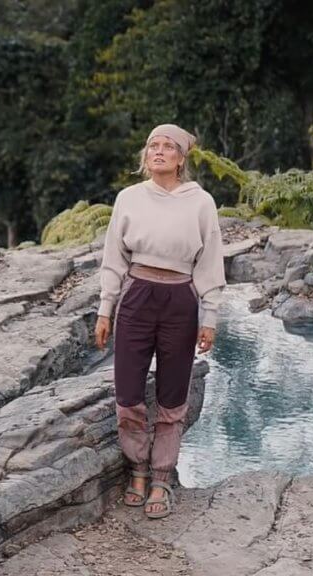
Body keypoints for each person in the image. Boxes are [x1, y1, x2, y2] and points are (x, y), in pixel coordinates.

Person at [95, 124, 226, 520]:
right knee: (128, 392)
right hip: (136, 295)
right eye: (153, 145)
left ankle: (162, 476)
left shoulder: (201, 202)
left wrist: (211, 317)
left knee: (172, 396)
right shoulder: (129, 198)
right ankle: (137, 467)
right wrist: (105, 309)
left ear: (181, 158)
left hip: (180, 300)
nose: (159, 151)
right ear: (145, 155)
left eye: (169, 147)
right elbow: (113, 258)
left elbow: (210, 263)